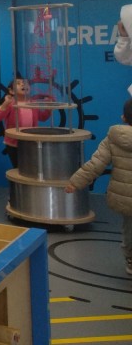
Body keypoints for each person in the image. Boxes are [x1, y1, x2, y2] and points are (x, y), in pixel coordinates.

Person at [65, 98, 132, 275]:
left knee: (129, 229)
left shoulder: (113, 139)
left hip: (126, 198)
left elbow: (96, 164)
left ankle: (130, 259)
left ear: (124, 118)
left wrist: (75, 182)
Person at [0, 77, 51, 168]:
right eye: (18, 83)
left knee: (31, 167)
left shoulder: (33, 103)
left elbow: (43, 118)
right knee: (18, 168)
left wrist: (49, 107)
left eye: (25, 83)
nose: (23, 84)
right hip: (14, 143)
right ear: (11, 91)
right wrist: (5, 103)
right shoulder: (11, 104)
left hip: (31, 142)